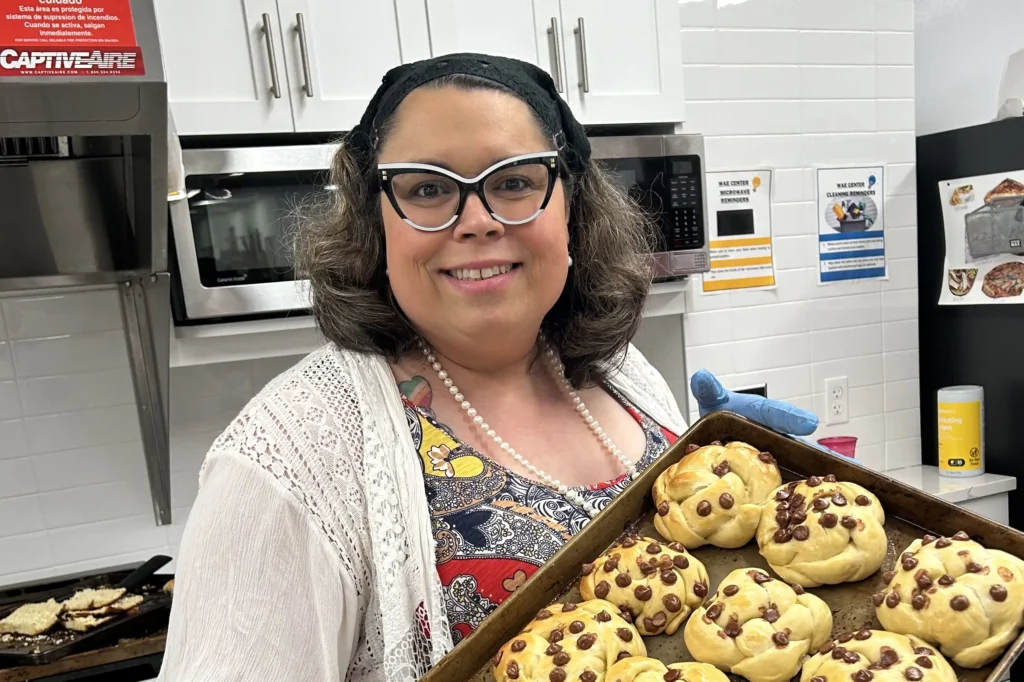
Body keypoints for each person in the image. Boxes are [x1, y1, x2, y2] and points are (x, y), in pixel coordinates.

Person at [157, 53, 818, 682]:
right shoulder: (285, 461)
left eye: (514, 182)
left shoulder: (622, 374)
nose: (476, 220)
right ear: (374, 221)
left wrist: (759, 498)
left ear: (571, 208)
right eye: (424, 188)